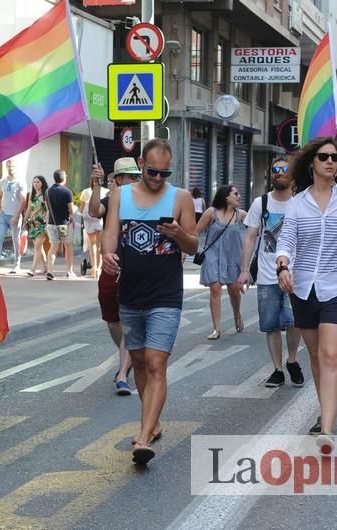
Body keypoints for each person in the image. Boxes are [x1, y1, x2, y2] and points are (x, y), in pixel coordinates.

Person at [101, 139, 198, 465]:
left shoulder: (180, 198)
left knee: (156, 363)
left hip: (165, 296)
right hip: (130, 293)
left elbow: (193, 245)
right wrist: (106, 254)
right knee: (140, 362)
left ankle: (143, 437)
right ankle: (152, 422)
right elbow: (111, 233)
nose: (158, 178)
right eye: (152, 171)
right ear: (141, 163)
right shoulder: (120, 195)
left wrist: (178, 235)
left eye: (164, 173)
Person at [275, 137, 337, 448]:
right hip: (303, 289)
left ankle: (327, 430)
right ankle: (323, 411)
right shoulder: (298, 203)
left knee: (330, 356)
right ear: (312, 163)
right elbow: (287, 239)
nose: (330, 161)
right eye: (324, 157)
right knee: (316, 357)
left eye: (335, 157)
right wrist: (283, 265)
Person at [238, 156, 304, 388]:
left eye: (284, 169)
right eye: (275, 169)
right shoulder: (261, 203)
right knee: (271, 324)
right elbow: (250, 237)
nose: (279, 172)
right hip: (267, 275)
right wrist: (245, 270)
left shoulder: (300, 202)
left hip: (295, 273)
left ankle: (292, 359)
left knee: (294, 320)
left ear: (292, 175)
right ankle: (277, 368)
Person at [90, 158, 143, 395]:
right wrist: (95, 184)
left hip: (136, 266)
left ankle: (122, 374)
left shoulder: (145, 199)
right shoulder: (110, 199)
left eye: (137, 176)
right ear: (119, 179)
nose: (135, 180)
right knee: (112, 318)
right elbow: (93, 211)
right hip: (111, 266)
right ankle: (126, 355)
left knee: (130, 319)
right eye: (131, 176)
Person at [196, 185, 246, 340]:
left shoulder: (242, 215)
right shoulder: (211, 213)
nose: (239, 197)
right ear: (226, 197)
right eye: (236, 194)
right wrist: (187, 251)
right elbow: (195, 232)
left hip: (233, 256)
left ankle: (237, 315)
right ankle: (216, 328)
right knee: (215, 288)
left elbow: (255, 233)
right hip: (213, 255)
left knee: (234, 289)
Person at [0, 160, 26, 273]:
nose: (10, 167)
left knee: (16, 240)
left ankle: (17, 264)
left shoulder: (20, 182)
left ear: (15, 167)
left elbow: (23, 201)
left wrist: (17, 215)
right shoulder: (2, 181)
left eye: (12, 165)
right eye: (8, 166)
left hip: (14, 216)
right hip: (3, 215)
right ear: (6, 167)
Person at [46, 170, 76, 279]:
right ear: (64, 178)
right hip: (63, 224)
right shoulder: (67, 192)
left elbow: (48, 209)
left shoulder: (48, 191)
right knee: (67, 246)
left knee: (53, 247)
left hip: (51, 223)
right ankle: (69, 271)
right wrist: (76, 208)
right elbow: (71, 210)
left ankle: (50, 271)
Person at [80, 175, 108, 279]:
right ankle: (98, 268)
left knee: (93, 245)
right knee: (98, 244)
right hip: (98, 220)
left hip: (90, 221)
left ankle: (94, 267)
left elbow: (82, 209)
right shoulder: (106, 191)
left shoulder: (85, 192)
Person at [23, 176, 50, 277]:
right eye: (34, 182)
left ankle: (33, 269)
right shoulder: (32, 195)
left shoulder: (45, 195)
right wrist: (24, 222)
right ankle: (45, 267)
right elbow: (29, 209)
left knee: (37, 247)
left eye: (38, 182)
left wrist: (47, 224)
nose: (35, 184)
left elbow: (48, 210)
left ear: (42, 183)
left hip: (42, 224)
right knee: (39, 247)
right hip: (33, 224)